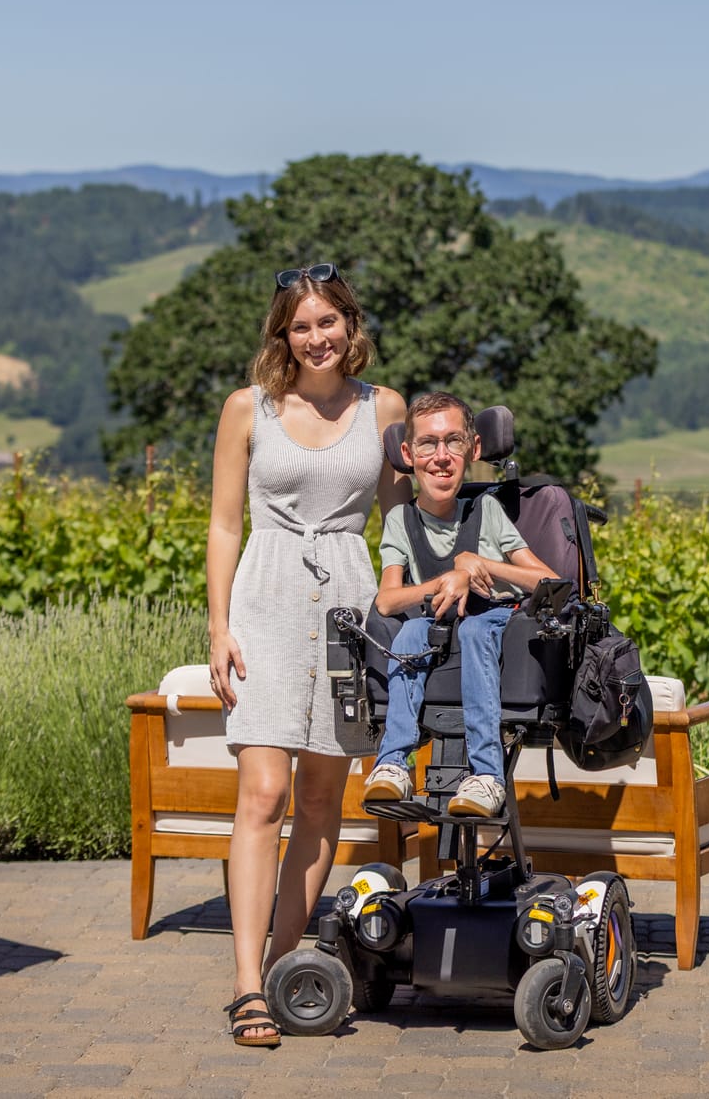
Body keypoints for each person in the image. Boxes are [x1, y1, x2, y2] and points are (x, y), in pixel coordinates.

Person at [207, 261, 408, 1047]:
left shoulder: (382, 407)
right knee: (262, 793)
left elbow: (397, 530)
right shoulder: (246, 409)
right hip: (266, 600)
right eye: (301, 326)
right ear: (282, 335)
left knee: (324, 800)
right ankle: (246, 984)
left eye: (329, 323)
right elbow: (226, 524)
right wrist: (219, 626)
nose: (316, 338)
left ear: (349, 327)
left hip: (353, 606)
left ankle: (284, 968)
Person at [362, 391, 558, 818]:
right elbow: (388, 598)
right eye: (429, 444)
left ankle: (486, 773)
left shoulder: (485, 510)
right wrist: (444, 581)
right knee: (411, 630)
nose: (442, 456)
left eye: (454, 442)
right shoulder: (401, 520)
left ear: (474, 449)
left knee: (473, 629)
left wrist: (478, 564)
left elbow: (548, 578)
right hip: (436, 628)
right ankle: (392, 764)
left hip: (489, 621)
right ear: (408, 454)